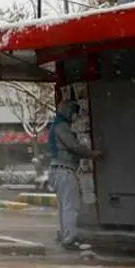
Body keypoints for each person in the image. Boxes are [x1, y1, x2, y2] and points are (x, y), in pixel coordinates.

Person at [48, 98, 103, 251]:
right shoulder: (62, 126)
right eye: (73, 111)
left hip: (57, 170)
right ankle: (70, 239)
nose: (74, 115)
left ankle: (66, 235)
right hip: (64, 170)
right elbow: (74, 146)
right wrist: (92, 154)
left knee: (64, 206)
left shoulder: (55, 125)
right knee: (71, 206)